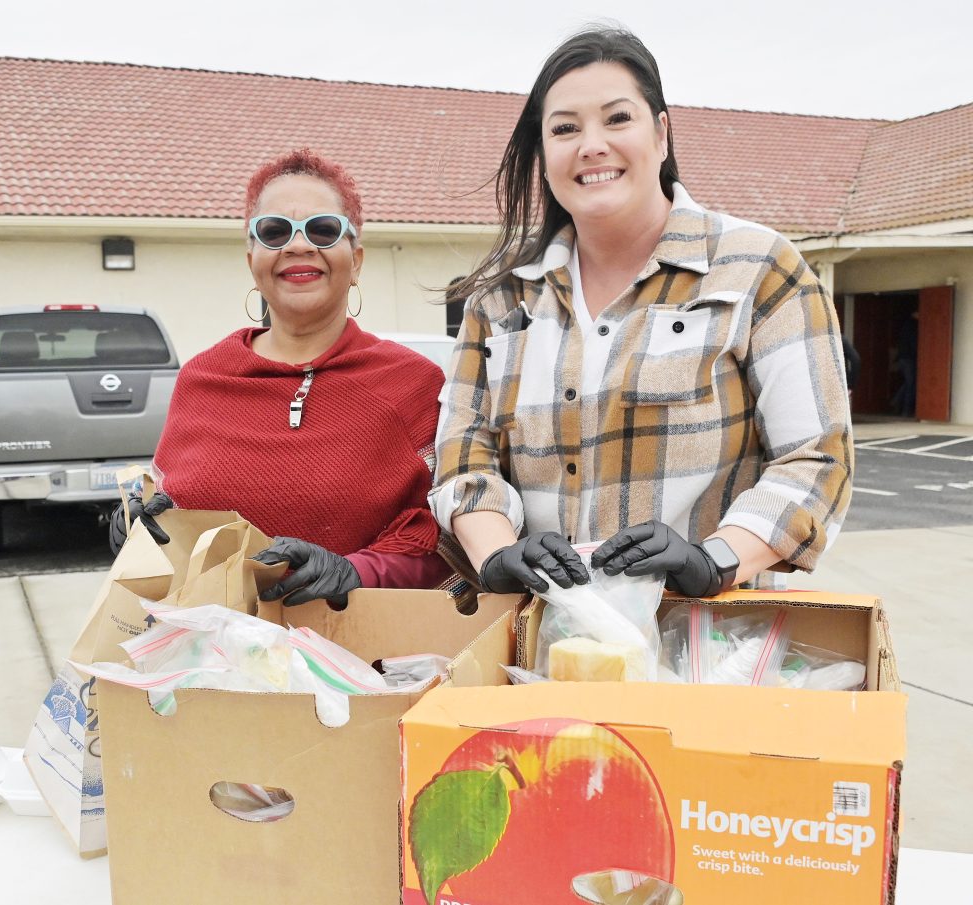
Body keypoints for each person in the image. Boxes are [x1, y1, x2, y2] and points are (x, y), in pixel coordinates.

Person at [430, 26, 853, 598]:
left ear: (661, 133)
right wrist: (500, 552)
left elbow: (817, 458)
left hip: (705, 644)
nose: (592, 144)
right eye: (565, 128)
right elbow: (464, 460)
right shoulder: (501, 299)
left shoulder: (759, 268)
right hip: (543, 640)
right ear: (545, 153)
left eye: (617, 119)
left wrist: (713, 559)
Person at [110, 148, 452, 606]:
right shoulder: (202, 378)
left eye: (323, 229)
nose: (298, 245)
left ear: (358, 258)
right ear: (252, 257)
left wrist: (357, 571)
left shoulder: (412, 384)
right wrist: (135, 524)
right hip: (206, 659)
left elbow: (444, 540)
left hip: (356, 661)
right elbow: (166, 505)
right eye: (274, 232)